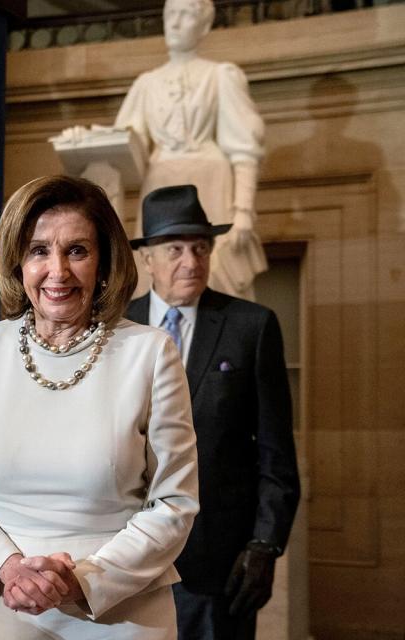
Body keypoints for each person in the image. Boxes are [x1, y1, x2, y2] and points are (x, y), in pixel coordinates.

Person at [0, 175, 199, 639]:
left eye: (77, 250)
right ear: (17, 261)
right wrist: (11, 570)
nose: (57, 271)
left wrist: (81, 580)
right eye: (39, 250)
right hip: (1, 605)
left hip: (119, 610)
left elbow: (174, 504)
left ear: (103, 262)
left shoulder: (152, 353)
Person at [126, 184, 300, 640]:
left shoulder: (252, 327)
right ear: (148, 258)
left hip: (218, 567)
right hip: (124, 560)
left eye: (201, 247)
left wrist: (265, 545)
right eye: (176, 248)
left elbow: (277, 454)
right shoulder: (114, 328)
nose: (191, 261)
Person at [114, 0, 267, 300]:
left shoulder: (220, 75)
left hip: (210, 182)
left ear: (204, 25)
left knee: (217, 272)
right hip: (159, 185)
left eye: (185, 15)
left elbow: (244, 148)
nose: (174, 23)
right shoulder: (146, 84)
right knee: (154, 275)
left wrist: (243, 211)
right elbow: (124, 144)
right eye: (170, 14)